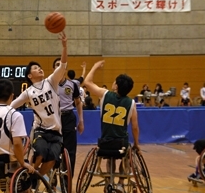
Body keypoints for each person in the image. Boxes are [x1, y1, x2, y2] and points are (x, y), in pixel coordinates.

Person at [10, 31, 67, 180]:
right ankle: (29, 174)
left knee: (52, 159)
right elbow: (12, 106)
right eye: (35, 68)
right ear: (30, 76)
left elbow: (63, 65)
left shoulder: (51, 81)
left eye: (40, 67)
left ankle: (34, 179)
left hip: (56, 131)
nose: (39, 69)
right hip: (40, 130)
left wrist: (64, 46)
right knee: (40, 154)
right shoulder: (28, 92)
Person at [83, 60, 140, 193]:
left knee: (110, 157)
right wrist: (136, 143)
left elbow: (87, 82)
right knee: (127, 154)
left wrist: (95, 67)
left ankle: (110, 182)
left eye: (115, 82)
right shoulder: (131, 103)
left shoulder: (105, 94)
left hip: (105, 142)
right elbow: (135, 127)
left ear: (116, 86)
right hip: (122, 143)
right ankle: (120, 183)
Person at [52, 57, 84, 179]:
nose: (59, 67)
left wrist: (81, 120)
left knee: (70, 152)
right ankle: (52, 181)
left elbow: (78, 102)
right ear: (54, 69)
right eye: (56, 65)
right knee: (53, 150)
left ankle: (67, 181)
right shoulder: (49, 85)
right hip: (54, 118)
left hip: (68, 118)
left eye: (61, 65)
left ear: (64, 68)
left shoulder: (72, 85)